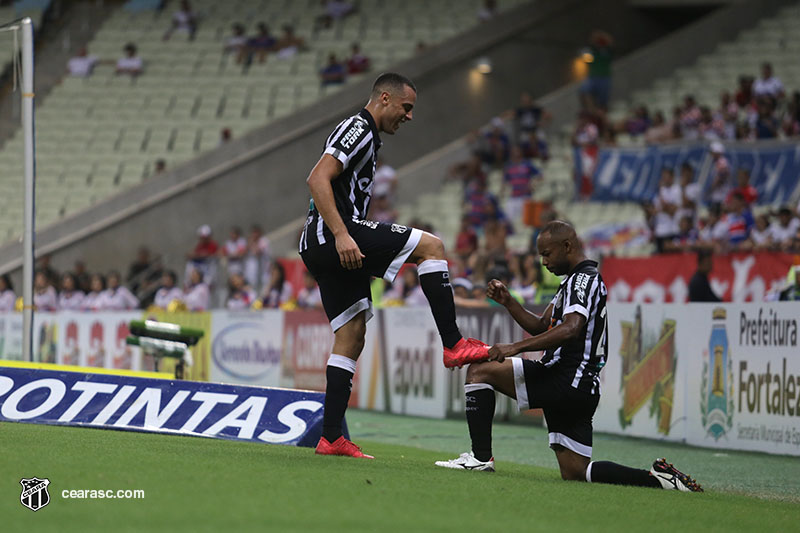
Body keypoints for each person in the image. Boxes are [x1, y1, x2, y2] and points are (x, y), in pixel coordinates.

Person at [299, 73, 492, 459]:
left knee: (351, 334)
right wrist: (341, 234)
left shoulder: (370, 137)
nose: (409, 116)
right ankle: (454, 344)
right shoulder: (358, 127)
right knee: (432, 247)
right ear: (384, 98)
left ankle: (332, 436)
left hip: (321, 243)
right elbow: (317, 177)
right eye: (407, 108)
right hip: (333, 235)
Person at [435, 220, 703, 493]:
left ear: (567, 246)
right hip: (581, 386)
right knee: (576, 471)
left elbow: (571, 328)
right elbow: (542, 325)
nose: (543, 262)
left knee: (480, 370)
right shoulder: (573, 282)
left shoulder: (583, 279)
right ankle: (657, 479)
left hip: (565, 378)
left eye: (547, 254)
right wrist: (509, 302)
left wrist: (514, 347)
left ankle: (480, 458)